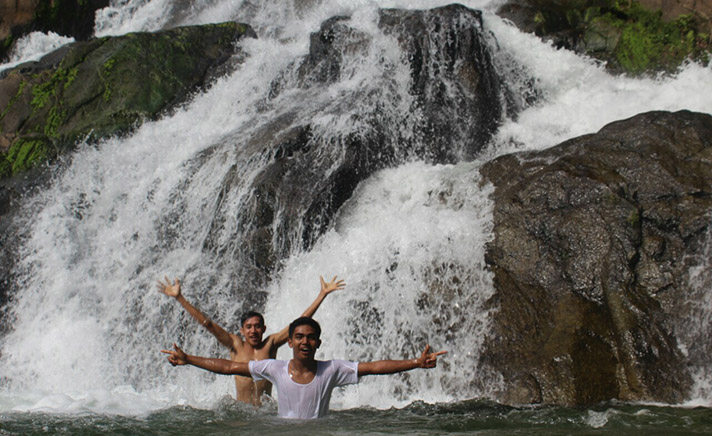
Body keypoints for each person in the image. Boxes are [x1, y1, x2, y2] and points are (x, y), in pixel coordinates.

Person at [162, 316, 447, 419]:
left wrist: (415, 363)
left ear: (318, 342)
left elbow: (373, 367)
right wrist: (189, 359)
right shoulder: (274, 368)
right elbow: (227, 367)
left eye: (310, 337)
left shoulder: (332, 370)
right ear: (290, 342)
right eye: (299, 337)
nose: (304, 341)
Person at [157, 276, 345, 405]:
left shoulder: (270, 343)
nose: (253, 330)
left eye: (257, 326)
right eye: (249, 327)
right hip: (243, 413)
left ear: (263, 329)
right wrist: (179, 298)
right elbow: (208, 324)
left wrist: (322, 295)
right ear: (242, 331)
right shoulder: (235, 345)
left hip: (266, 413)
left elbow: (298, 324)